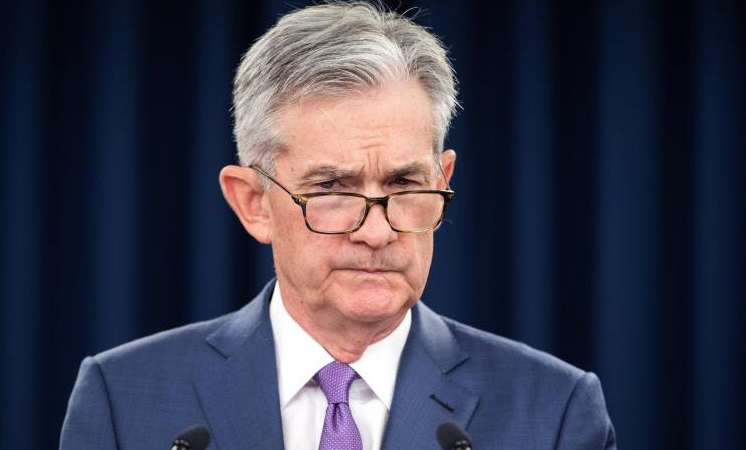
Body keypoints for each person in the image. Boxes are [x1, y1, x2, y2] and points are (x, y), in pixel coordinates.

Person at [60, 2, 616, 449]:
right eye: (332, 189)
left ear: (442, 179)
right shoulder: (123, 399)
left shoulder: (554, 411)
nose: (376, 233)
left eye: (404, 184)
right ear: (253, 203)